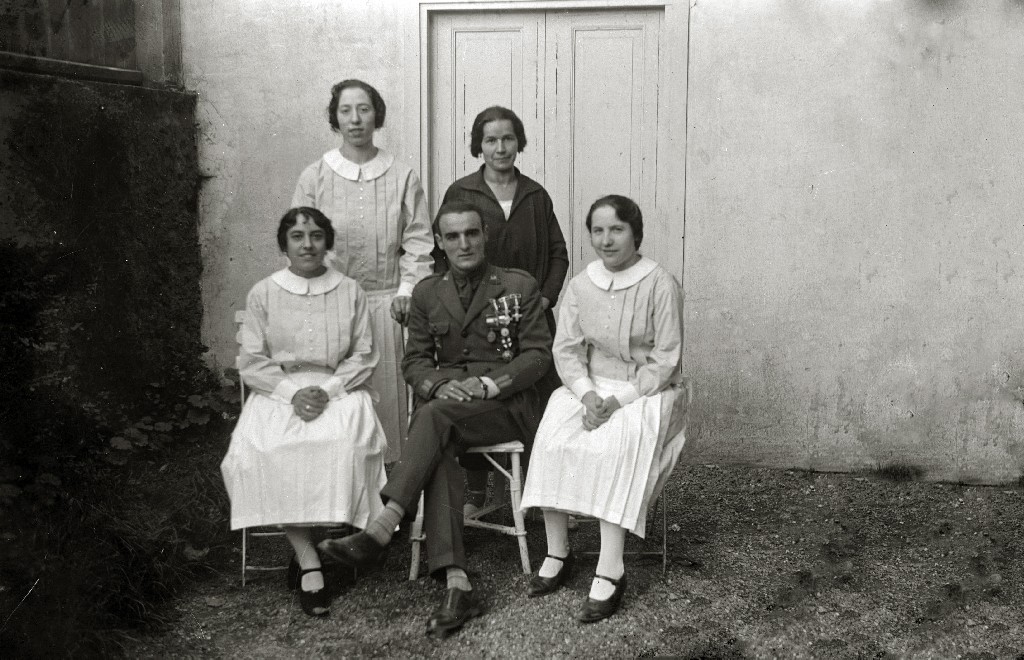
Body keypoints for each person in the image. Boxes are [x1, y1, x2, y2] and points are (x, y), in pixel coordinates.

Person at [319, 201, 553, 638]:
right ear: (440, 243)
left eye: (471, 233)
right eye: (453, 236)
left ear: (485, 236)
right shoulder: (427, 293)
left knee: (431, 417)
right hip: (448, 411)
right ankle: (457, 583)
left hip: (503, 409)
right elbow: (415, 362)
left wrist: (489, 385)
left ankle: (385, 523)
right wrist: (438, 384)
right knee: (438, 436)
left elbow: (538, 356)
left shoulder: (517, 285)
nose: (464, 244)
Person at [519, 195, 688, 623]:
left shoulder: (660, 284)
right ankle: (558, 551)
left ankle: (611, 568)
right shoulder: (581, 285)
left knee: (613, 447)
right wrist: (587, 394)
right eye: (598, 230)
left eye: (617, 230)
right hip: (590, 389)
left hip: (645, 391)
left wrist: (618, 401)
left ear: (636, 234)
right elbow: (567, 350)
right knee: (553, 439)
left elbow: (666, 360)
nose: (606, 240)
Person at [221, 207, 388, 617]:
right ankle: (309, 557)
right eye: (297, 236)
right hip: (278, 390)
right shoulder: (263, 293)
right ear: (284, 244)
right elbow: (253, 361)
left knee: (343, 445)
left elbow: (364, 354)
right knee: (268, 449)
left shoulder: (350, 291)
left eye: (315, 236)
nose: (308, 244)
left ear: (327, 242)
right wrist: (291, 394)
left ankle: (315, 550)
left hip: (339, 388)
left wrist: (327, 390)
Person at [292, 79, 434, 462]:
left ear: (377, 115)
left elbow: (419, 241)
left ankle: (390, 488)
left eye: (364, 109)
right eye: (346, 111)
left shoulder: (402, 176)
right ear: (335, 118)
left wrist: (407, 291)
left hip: (387, 308)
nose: (355, 119)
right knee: (337, 403)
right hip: (330, 307)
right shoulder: (315, 177)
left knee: (387, 404)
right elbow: (301, 243)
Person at [439, 105, 569, 513]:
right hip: (478, 320)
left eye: (508, 138)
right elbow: (443, 256)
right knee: (477, 397)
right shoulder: (462, 193)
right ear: (478, 145)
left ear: (519, 143)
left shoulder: (535, 195)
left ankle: (539, 498)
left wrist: (544, 298)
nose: (500, 148)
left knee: (539, 402)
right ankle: (478, 493)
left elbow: (558, 253)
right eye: (491, 139)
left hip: (529, 318)